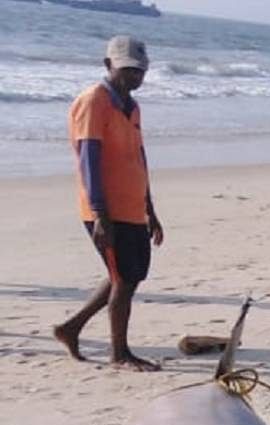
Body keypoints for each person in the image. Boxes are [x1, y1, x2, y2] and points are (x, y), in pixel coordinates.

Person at [54, 35, 165, 372]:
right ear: (108, 66)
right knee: (124, 280)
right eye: (128, 70)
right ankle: (119, 353)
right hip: (107, 210)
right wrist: (101, 214)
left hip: (132, 207)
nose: (135, 77)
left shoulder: (131, 106)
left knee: (125, 275)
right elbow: (89, 158)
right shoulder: (94, 101)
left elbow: (138, 158)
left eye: (140, 72)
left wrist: (151, 209)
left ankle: (70, 329)